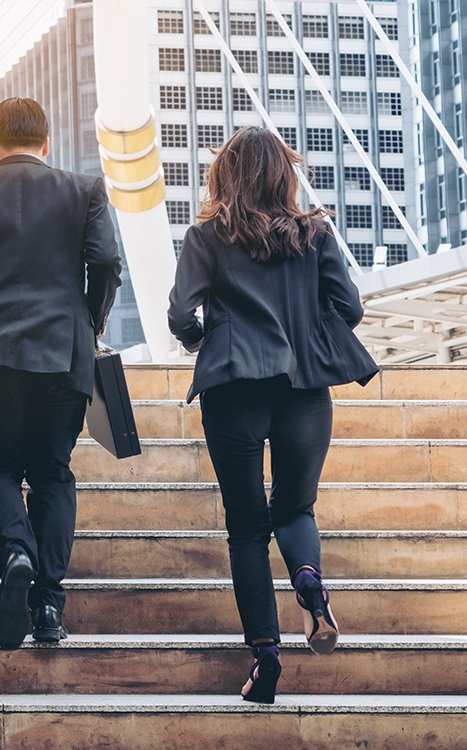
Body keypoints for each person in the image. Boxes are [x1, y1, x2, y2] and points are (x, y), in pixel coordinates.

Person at [167, 126, 379, 704]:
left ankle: (265, 659)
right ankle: (309, 583)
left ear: (224, 175)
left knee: (246, 528)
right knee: (295, 507)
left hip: (234, 388)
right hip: (305, 388)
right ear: (285, 174)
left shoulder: (206, 237)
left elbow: (181, 316)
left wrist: (209, 340)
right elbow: (350, 307)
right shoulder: (316, 234)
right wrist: (306, 333)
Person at [0, 97, 122, 649]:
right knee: (53, 473)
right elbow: (105, 263)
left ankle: (15, 551)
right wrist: (90, 319)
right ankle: (49, 608)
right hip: (63, 351)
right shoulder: (83, 190)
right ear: (46, 142)